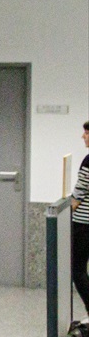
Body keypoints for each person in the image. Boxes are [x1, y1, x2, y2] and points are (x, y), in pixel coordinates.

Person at [71, 121, 89, 309]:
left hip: (84, 224)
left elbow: (79, 192)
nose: (83, 136)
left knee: (77, 270)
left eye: (86, 133)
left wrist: (70, 208)